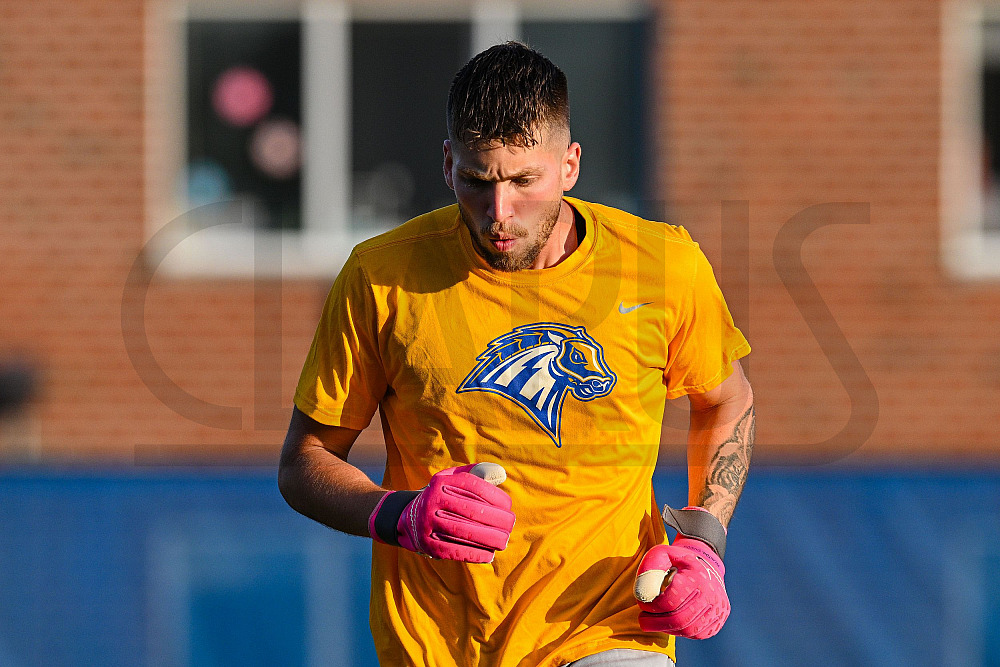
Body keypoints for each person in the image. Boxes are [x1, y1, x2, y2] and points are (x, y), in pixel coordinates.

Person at [279, 42, 754, 666]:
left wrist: (705, 543)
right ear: (449, 164)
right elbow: (305, 464)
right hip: (436, 643)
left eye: (524, 181)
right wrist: (399, 516)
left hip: (607, 628)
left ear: (570, 165)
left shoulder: (664, 265)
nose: (499, 212)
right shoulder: (381, 277)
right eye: (478, 181)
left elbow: (726, 401)